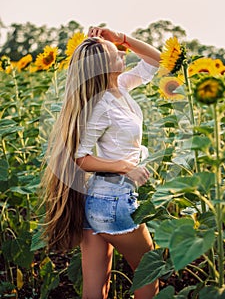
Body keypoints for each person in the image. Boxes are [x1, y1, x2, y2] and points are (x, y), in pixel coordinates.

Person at [40, 27, 161, 299]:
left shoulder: (120, 86)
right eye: (113, 51)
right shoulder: (99, 106)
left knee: (94, 291)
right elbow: (80, 157)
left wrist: (121, 37)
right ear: (103, 66)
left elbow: (157, 61)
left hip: (97, 201)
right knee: (149, 275)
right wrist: (124, 166)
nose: (121, 52)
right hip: (115, 200)